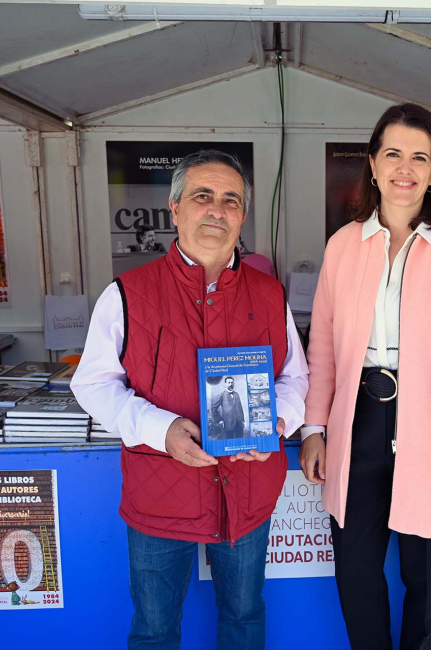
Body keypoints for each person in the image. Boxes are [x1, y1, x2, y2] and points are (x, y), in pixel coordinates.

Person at [71, 149, 309, 650]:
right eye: (203, 196)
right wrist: (160, 429)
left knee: (244, 617)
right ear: (175, 208)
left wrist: (276, 426)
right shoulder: (127, 293)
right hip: (161, 493)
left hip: (246, 490)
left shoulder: (270, 294)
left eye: (230, 200)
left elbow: (295, 376)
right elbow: (92, 384)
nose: (216, 210)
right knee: (155, 630)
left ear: (243, 216)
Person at [299, 103, 431, 650]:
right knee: (356, 573)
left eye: (419, 157)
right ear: (373, 162)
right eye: (393, 154)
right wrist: (314, 428)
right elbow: (325, 347)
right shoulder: (343, 246)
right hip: (358, 419)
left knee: (426, 579)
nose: (404, 168)